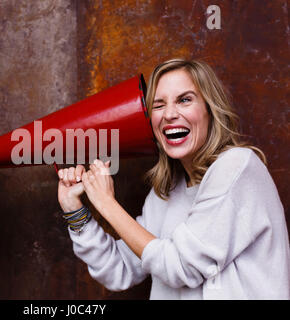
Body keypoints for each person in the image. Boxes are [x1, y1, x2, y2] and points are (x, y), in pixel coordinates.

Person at [57, 59, 290, 299]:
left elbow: (181, 267)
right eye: (158, 105)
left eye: (184, 100)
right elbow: (120, 269)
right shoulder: (167, 192)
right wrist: (74, 211)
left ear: (210, 108)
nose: (169, 114)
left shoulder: (239, 166)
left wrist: (106, 203)